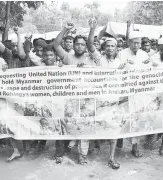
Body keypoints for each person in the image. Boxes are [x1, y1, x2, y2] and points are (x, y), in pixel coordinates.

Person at [53, 22, 96, 165]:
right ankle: (60, 152)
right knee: (64, 124)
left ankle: (82, 155)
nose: (79, 46)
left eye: (82, 45)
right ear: (73, 45)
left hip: (85, 101)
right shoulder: (68, 58)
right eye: (77, 44)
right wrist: (65, 29)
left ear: (86, 47)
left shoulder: (92, 60)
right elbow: (56, 45)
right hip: (68, 99)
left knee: (84, 127)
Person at [87, 18, 121, 169]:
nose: (110, 48)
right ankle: (94, 149)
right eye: (107, 46)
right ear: (104, 47)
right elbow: (89, 45)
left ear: (116, 48)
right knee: (96, 126)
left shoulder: (121, 63)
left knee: (114, 130)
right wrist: (92, 29)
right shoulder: (99, 59)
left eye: (112, 46)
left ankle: (111, 158)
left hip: (114, 101)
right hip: (99, 100)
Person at [116, 31, 150, 157]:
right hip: (125, 90)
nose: (136, 45)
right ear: (129, 43)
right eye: (134, 43)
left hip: (139, 92)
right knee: (123, 116)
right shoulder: (122, 53)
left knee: (137, 118)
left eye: (138, 43)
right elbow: (118, 71)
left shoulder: (144, 54)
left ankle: (135, 147)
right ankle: (119, 138)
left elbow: (149, 71)